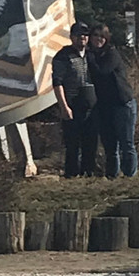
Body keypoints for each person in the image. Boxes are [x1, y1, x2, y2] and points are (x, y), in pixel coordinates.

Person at [88, 23, 138, 178]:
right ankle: (112, 177)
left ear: (107, 39)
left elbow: (102, 71)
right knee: (110, 145)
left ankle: (130, 176)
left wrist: (89, 58)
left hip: (122, 103)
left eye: (102, 36)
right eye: (95, 35)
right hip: (104, 105)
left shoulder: (112, 54)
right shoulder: (91, 55)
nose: (98, 39)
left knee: (126, 143)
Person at [51, 22, 98, 178]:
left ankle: (88, 172)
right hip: (72, 105)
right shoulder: (63, 56)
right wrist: (64, 106)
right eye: (79, 35)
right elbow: (57, 83)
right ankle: (71, 175)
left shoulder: (92, 55)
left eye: (85, 35)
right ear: (72, 37)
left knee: (90, 142)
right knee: (73, 144)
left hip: (91, 106)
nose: (82, 38)